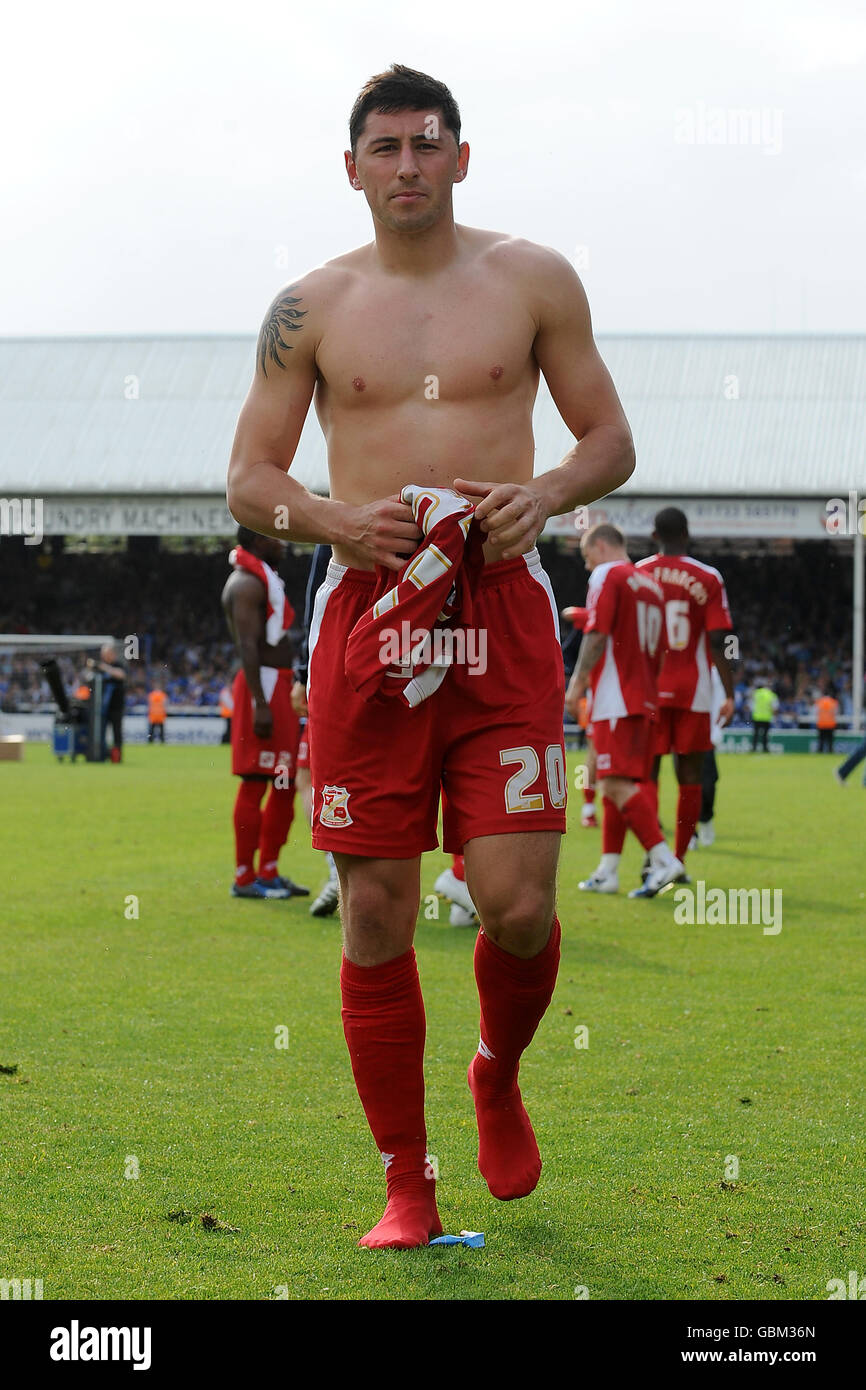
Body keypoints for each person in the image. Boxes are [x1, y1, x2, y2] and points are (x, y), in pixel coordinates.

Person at [226, 65, 635, 1248]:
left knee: (512, 906)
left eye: (427, 141)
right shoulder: (306, 308)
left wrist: (547, 492)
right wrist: (340, 522)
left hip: (500, 610)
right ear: (350, 168)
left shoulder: (532, 278)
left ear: (461, 157)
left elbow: (606, 434)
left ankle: (495, 1070)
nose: (407, 163)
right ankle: (407, 1181)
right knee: (375, 914)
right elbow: (249, 477)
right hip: (369, 618)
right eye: (384, 146)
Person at [565, 524, 683, 898]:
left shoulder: (607, 573)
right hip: (644, 697)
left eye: (586, 557)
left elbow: (597, 632)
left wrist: (577, 684)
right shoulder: (650, 585)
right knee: (615, 782)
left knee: (613, 783)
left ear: (601, 546)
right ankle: (609, 870)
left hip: (616, 698)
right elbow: (663, 647)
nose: (587, 567)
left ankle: (663, 859)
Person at [635, 508, 735, 873]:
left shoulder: (639, 574)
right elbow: (719, 639)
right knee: (690, 778)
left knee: (647, 775)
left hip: (647, 691)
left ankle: (653, 857)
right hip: (694, 691)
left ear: (654, 535)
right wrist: (729, 692)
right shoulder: (707, 577)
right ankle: (677, 859)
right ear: (687, 533)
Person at [221, 527, 309, 900]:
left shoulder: (262, 578)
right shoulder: (244, 583)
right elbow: (248, 646)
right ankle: (244, 877)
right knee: (256, 780)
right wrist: (259, 702)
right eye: (275, 538)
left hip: (279, 684)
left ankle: (269, 871)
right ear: (258, 541)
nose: (283, 543)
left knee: (285, 782)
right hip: (265, 687)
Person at [291, 542, 341, 917]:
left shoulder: (340, 509)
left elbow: (316, 598)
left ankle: (339, 871)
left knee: (315, 778)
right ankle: (464, 883)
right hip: (431, 650)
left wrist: (302, 672)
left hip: (341, 658)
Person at [87, 642, 126, 762]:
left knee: (116, 733)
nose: (104, 656)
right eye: (103, 654)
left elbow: (121, 675)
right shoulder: (98, 668)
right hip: (101, 707)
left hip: (116, 707)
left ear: (112, 654)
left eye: (106, 654)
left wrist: (103, 667)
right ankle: (101, 754)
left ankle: (117, 757)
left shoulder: (118, 665)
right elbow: (87, 678)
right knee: (99, 731)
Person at [750, 682, 778, 751]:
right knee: (765, 735)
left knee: (756, 734)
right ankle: (765, 748)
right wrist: (774, 716)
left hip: (757, 716)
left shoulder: (756, 693)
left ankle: (754, 748)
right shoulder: (771, 695)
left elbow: (751, 704)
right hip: (766, 718)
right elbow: (774, 707)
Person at [814, 688, 838, 753]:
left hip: (821, 724)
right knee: (830, 741)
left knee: (821, 740)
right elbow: (836, 712)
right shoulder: (833, 702)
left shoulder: (819, 702)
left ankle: (820, 751)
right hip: (830, 724)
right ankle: (830, 751)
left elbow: (816, 712)